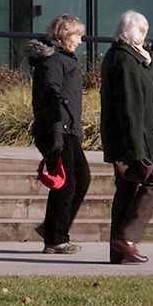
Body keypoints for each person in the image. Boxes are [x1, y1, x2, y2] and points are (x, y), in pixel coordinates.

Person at [96, 8, 153, 265]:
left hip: (129, 140)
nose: (146, 39)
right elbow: (130, 110)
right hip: (135, 142)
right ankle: (126, 239)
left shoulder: (124, 57)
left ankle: (119, 249)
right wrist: (138, 151)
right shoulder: (126, 62)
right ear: (135, 35)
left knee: (127, 191)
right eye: (144, 34)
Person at [30, 15, 91, 254]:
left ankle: (52, 228)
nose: (80, 39)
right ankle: (55, 238)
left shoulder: (64, 59)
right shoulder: (54, 61)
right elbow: (50, 95)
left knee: (81, 179)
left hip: (68, 130)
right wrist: (57, 130)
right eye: (77, 35)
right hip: (57, 129)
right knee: (66, 184)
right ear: (64, 35)